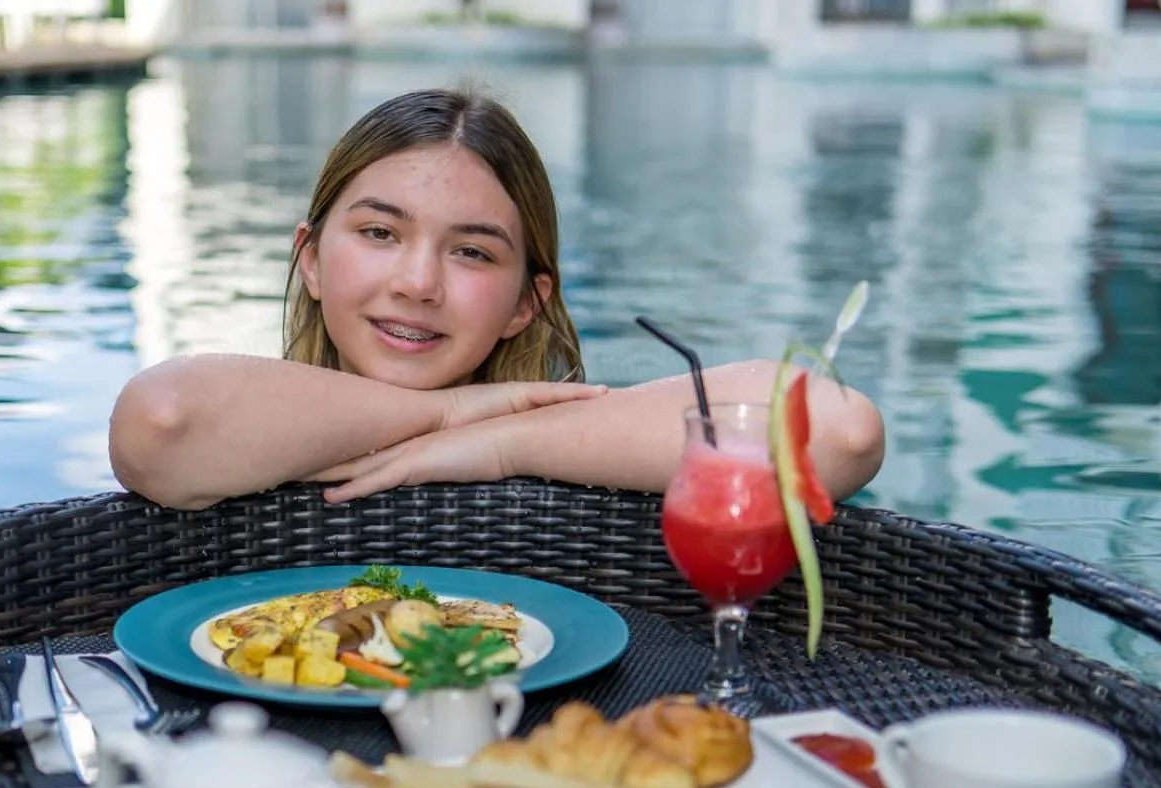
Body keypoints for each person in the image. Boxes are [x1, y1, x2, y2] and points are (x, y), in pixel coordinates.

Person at [109, 87, 885, 511]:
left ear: (525, 303)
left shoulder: (560, 433)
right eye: (380, 233)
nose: (418, 283)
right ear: (309, 260)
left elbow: (839, 431)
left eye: (473, 251)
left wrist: (505, 443)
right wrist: (447, 414)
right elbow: (161, 424)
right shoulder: (254, 419)